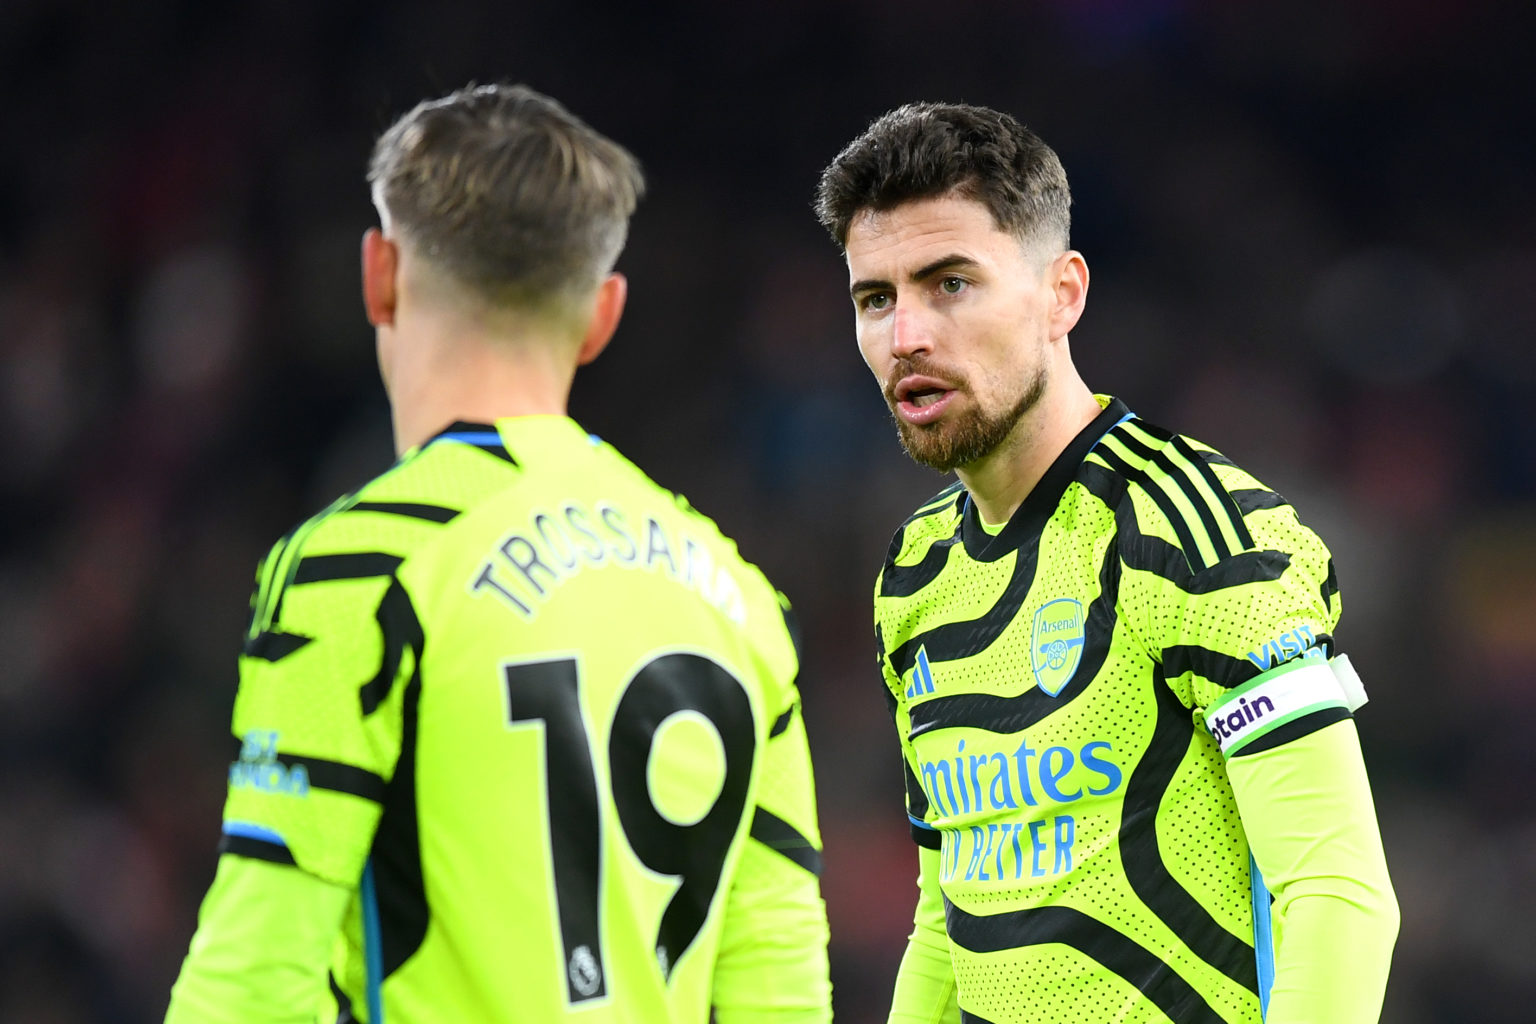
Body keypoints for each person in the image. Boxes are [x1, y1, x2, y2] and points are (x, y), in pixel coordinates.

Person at [164, 83, 831, 1024]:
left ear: (378, 275)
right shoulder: (737, 596)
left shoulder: (361, 567)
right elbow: (780, 983)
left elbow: (254, 969)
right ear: (603, 314)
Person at [814, 102, 1398, 1024]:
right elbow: (946, 918)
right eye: (875, 298)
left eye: (951, 283)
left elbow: (1339, 891)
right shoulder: (917, 573)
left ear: (1063, 294)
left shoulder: (1195, 534)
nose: (906, 336)